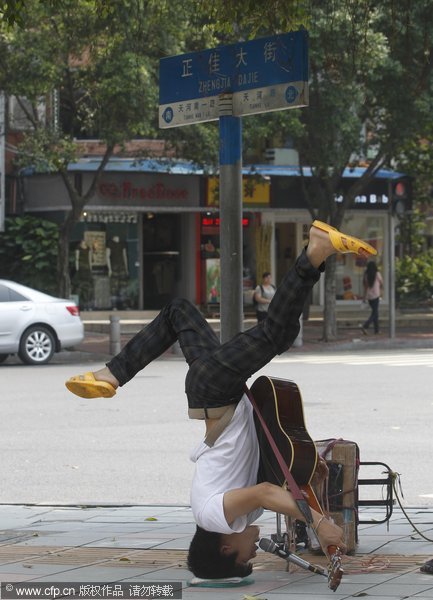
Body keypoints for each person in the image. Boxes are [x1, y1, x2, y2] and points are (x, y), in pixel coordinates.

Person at [65, 220, 377, 580]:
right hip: (216, 390)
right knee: (181, 312)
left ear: (226, 549)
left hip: (216, 392)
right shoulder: (242, 516)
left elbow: (263, 491)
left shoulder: (211, 516)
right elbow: (268, 475)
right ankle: (112, 374)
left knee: (274, 333)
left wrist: (320, 523)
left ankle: (316, 250)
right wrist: (309, 469)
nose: (254, 555)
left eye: (247, 560)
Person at [361, 261, 383, 335]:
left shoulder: (366, 275)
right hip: (376, 295)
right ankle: (365, 326)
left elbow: (365, 287)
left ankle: (377, 330)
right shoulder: (377, 274)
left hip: (369, 296)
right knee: (375, 313)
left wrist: (364, 297)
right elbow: (381, 283)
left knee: (375, 313)